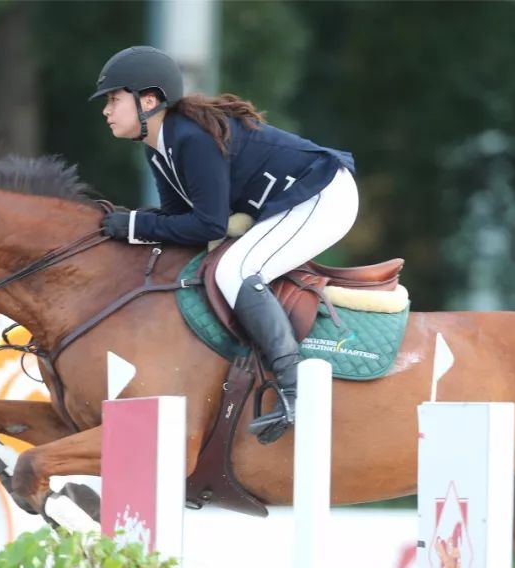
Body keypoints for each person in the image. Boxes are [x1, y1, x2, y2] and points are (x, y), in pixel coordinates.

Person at [91, 45, 359, 444]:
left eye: (114, 99)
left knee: (237, 271)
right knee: (227, 266)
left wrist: (131, 225)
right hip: (292, 202)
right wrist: (131, 224)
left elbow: (205, 224)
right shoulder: (159, 147)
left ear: (148, 100)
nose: (106, 110)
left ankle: (297, 387)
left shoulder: (189, 138)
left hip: (321, 195)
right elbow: (175, 219)